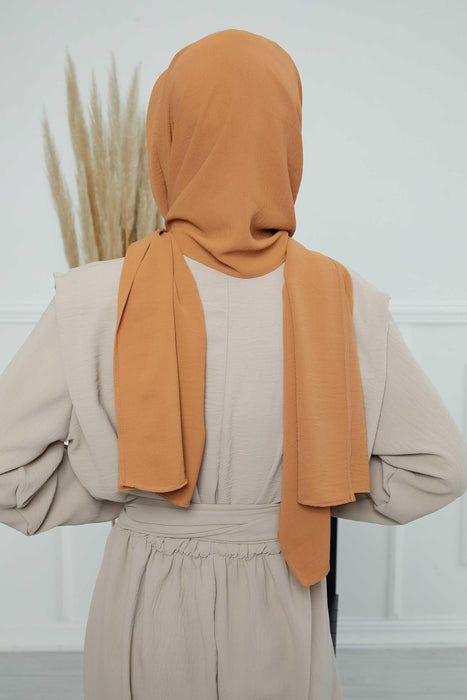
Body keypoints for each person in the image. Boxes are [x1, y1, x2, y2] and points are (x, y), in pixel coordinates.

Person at [1, 28, 466, 700]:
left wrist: (126, 485)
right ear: (286, 141)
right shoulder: (345, 299)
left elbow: (7, 472)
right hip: (281, 585)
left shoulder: (95, 297)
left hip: (144, 588)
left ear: (168, 138)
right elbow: (439, 469)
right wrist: (310, 481)